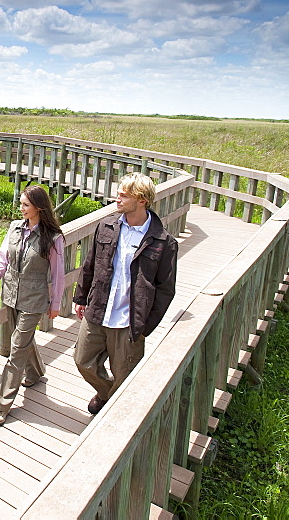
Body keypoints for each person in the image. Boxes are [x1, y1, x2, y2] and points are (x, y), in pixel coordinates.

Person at [73, 172, 178, 415]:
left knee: (125, 374)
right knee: (83, 361)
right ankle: (106, 394)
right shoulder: (106, 226)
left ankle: (113, 413)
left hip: (130, 320)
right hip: (99, 309)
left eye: (124, 195)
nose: (117, 199)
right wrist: (80, 297)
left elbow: (165, 290)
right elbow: (90, 264)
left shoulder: (164, 242)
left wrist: (146, 326)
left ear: (142, 200)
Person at [0, 184, 65, 426]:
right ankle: (36, 372)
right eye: (21, 203)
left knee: (16, 350)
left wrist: (55, 303)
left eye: (26, 204)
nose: (21, 208)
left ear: (39, 207)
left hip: (34, 299)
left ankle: (1, 404)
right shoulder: (14, 228)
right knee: (23, 340)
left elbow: (58, 275)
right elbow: (2, 260)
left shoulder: (53, 238)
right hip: (11, 295)